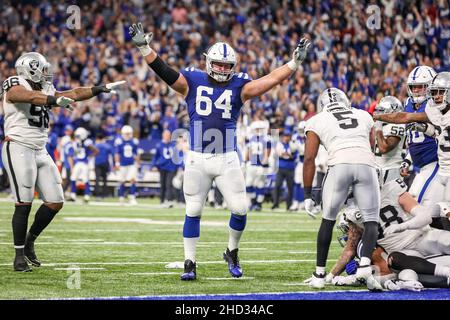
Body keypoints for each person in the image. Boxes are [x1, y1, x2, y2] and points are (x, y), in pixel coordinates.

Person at [129, 22, 311, 280]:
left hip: (226, 158)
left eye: (227, 66)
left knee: (240, 209)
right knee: (193, 210)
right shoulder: (191, 80)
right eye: (219, 64)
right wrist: (145, 48)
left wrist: (293, 64)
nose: (223, 69)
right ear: (208, 62)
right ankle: (189, 263)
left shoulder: (240, 85)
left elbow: (268, 81)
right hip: (197, 157)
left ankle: (232, 251)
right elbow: (165, 72)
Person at [0, 51, 125, 271]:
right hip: (19, 145)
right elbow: (24, 96)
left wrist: (99, 89)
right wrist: (53, 100)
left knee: (55, 201)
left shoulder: (45, 89)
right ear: (30, 69)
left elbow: (74, 93)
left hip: (40, 148)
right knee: (24, 202)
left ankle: (29, 241)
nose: (46, 73)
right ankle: (19, 256)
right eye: (43, 69)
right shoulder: (15, 82)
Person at [303, 87, 381, 290]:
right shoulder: (362, 114)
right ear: (346, 101)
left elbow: (309, 158)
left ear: (322, 106)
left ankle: (319, 275)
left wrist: (307, 194)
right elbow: (372, 144)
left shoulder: (317, 120)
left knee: (328, 220)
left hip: (339, 165)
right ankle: (364, 267)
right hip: (366, 164)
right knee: (371, 220)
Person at [373, 71, 450, 226]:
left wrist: (377, 116)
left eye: (420, 87)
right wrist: (408, 159)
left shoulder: (432, 108)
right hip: (425, 167)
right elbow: (434, 134)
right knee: (421, 207)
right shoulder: (428, 108)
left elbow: (405, 118)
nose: (416, 91)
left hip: (436, 164)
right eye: (413, 87)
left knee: (422, 209)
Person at [372, 96, 407, 184]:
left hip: (391, 171)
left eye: (381, 111)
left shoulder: (397, 125)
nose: (377, 114)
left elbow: (384, 148)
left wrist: (378, 129)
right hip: (379, 169)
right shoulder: (382, 126)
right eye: (378, 110)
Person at [245, 121, 271, 211]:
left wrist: (264, 163)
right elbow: (248, 152)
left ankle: (258, 204)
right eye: (256, 129)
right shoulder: (251, 138)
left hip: (260, 164)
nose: (258, 130)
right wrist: (246, 161)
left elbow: (267, 153)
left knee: (260, 185)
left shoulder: (266, 139)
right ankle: (253, 201)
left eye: (259, 129)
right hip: (252, 164)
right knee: (248, 184)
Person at [69, 127, 99, 203]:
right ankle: (73, 195)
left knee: (85, 179)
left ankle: (87, 196)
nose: (77, 137)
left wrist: (90, 156)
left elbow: (96, 151)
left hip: (84, 163)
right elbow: (74, 153)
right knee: (73, 178)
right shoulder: (75, 143)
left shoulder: (87, 142)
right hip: (77, 162)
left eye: (78, 136)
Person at [151, 130, 178, 208]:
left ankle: (168, 200)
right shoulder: (159, 145)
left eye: (168, 135)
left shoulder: (173, 145)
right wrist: (153, 165)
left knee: (169, 184)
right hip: (162, 167)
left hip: (171, 167)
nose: (167, 136)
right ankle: (162, 200)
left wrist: (179, 166)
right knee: (163, 184)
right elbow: (155, 157)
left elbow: (177, 157)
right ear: (163, 136)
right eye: (165, 135)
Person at [114, 125, 141, 205]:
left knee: (133, 180)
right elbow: (117, 153)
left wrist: (138, 162)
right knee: (122, 181)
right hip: (122, 164)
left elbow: (136, 154)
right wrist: (117, 163)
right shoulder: (119, 141)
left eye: (129, 133)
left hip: (131, 163)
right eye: (126, 134)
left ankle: (132, 197)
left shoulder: (134, 141)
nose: (128, 135)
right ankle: (121, 197)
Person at [272, 129, 298, 211]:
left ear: (290, 137)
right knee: (277, 186)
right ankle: (275, 204)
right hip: (281, 168)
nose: (286, 138)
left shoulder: (293, 145)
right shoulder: (279, 144)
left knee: (290, 187)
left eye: (288, 136)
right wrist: (286, 155)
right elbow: (277, 154)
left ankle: (289, 205)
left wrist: (287, 155)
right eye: (285, 136)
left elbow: (294, 156)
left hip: (290, 168)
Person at [94, 133, 113, 199]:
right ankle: (104, 194)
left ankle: (97, 195)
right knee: (104, 179)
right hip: (105, 163)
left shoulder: (95, 145)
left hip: (97, 163)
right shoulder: (107, 145)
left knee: (97, 179)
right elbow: (111, 155)